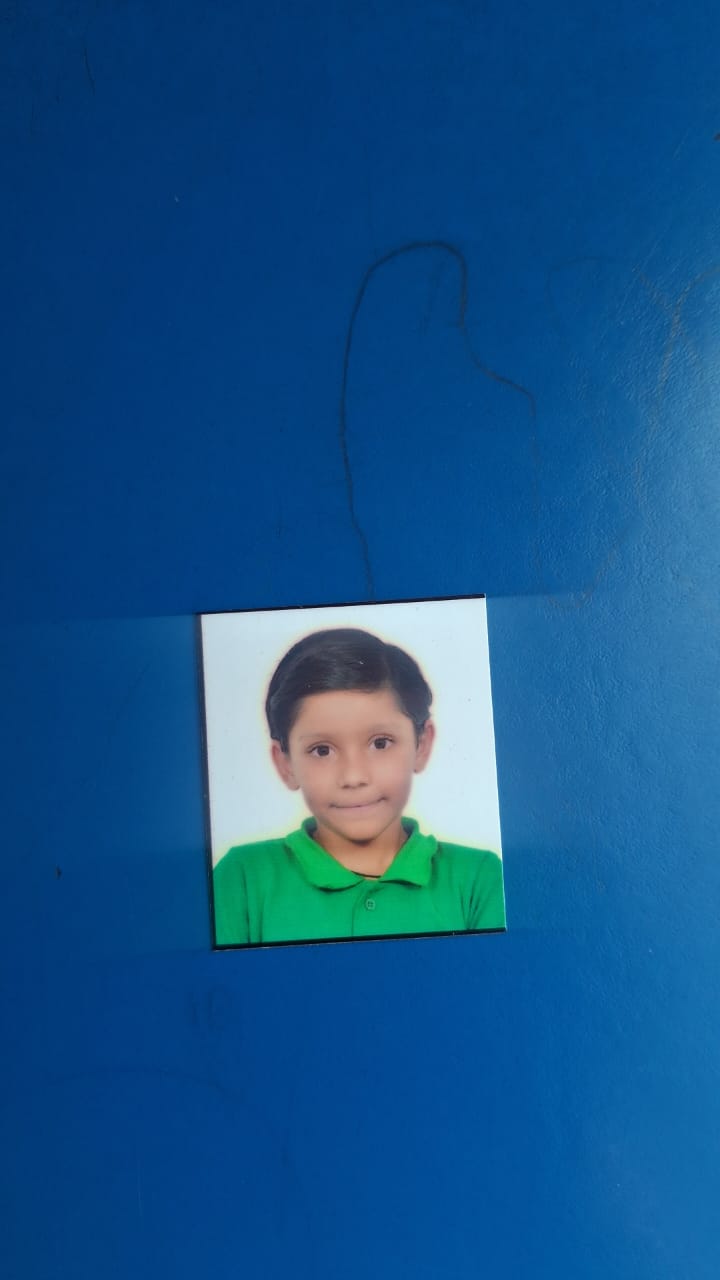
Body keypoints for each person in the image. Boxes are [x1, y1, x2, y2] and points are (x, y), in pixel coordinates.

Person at [212, 627, 506, 945]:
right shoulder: (242, 879)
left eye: (380, 743)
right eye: (322, 750)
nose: (353, 777)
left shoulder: (479, 879)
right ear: (285, 763)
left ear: (421, 745)